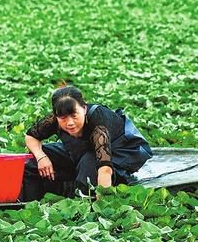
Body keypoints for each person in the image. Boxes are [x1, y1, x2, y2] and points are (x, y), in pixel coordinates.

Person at [21, 85, 152, 201]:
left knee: (89, 163)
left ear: (84, 109)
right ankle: (29, 201)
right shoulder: (55, 119)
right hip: (79, 151)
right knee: (35, 158)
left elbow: (104, 168)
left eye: (74, 115)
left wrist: (103, 199)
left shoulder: (99, 121)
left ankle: (78, 198)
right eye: (63, 118)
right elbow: (31, 136)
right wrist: (41, 157)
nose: (69, 123)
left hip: (114, 153)